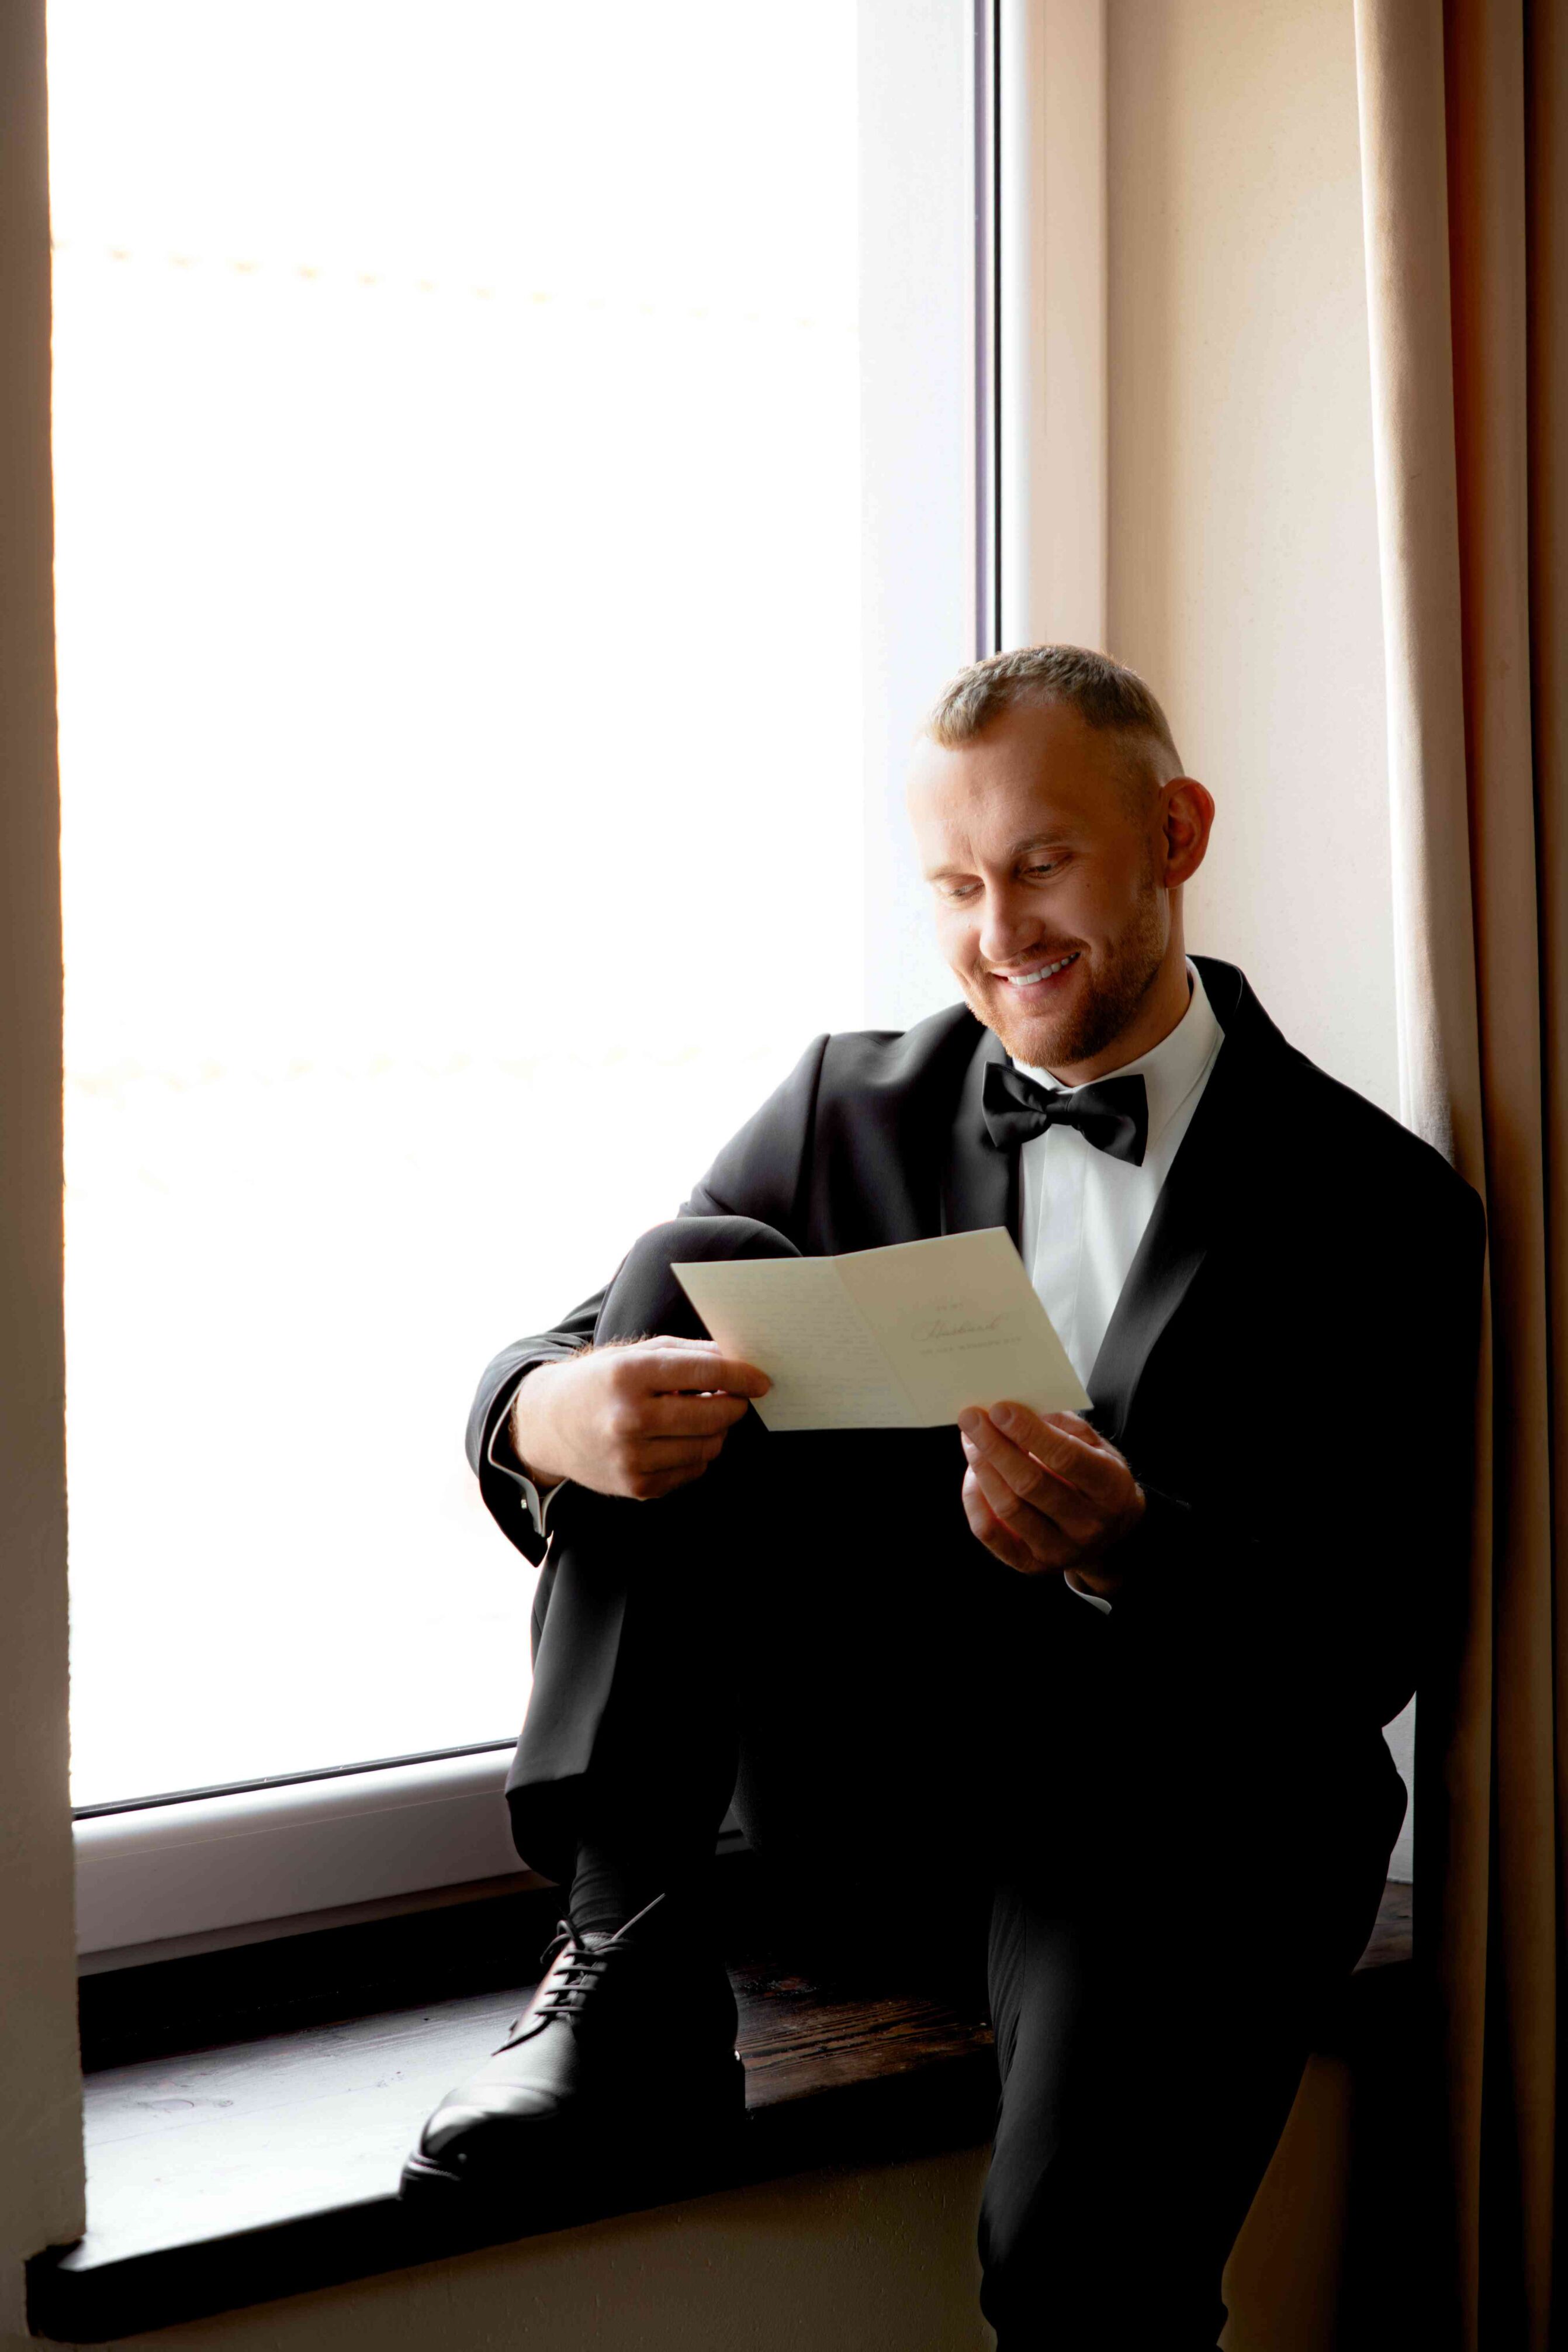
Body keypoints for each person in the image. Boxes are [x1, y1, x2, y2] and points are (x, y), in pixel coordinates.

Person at [401, 645, 1485, 2349]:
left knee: (1078, 2273)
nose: (999, 929)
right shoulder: (845, 1100)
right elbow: (566, 1346)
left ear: (1173, 835)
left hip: (1170, 1817)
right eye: (956, 885)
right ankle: (620, 1964)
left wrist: (1136, 1548)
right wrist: (542, 1414)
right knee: (684, 1269)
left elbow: (1373, 1634)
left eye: (1041, 864)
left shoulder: (1375, 1202)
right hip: (864, 1788)